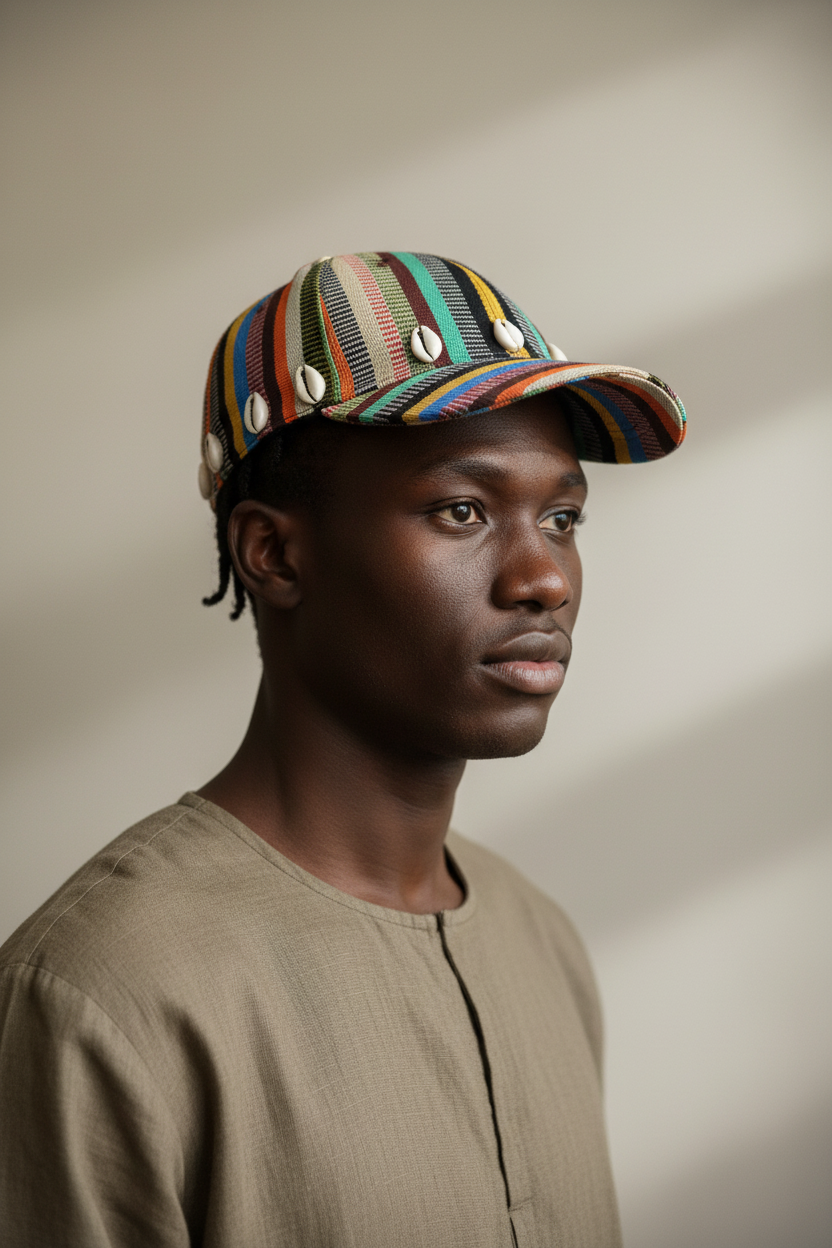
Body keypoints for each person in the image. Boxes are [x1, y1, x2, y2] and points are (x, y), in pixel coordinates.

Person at [0, 252, 686, 1247]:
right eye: (463, 509)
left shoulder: (541, 941)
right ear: (273, 553)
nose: (544, 577)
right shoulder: (97, 996)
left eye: (562, 517)